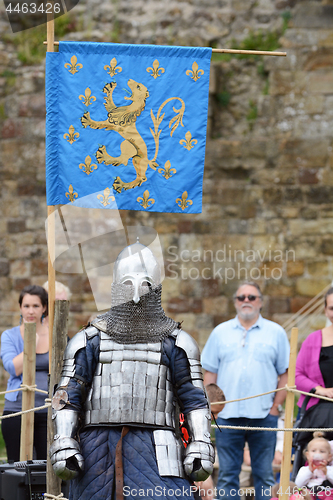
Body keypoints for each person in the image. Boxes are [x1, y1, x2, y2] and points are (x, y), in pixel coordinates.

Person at [49, 242, 215, 500]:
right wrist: (64, 440)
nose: (137, 296)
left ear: (156, 289)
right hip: (97, 447)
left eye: (145, 285)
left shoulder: (177, 342)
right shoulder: (89, 340)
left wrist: (201, 442)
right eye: (128, 285)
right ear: (116, 287)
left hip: (159, 449)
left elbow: (193, 399)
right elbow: (67, 397)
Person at [201, 281, 290, 500]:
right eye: (242, 297)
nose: (246, 301)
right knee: (228, 476)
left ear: (260, 301)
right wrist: (211, 409)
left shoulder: (276, 333)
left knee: (265, 476)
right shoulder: (220, 332)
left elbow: (286, 375)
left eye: (251, 297)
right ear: (235, 303)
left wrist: (275, 408)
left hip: (264, 417)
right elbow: (210, 375)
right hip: (228, 418)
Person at [0, 284, 49, 461]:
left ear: (44, 308)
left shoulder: (55, 336)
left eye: (36, 306)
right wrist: (31, 342)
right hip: (17, 410)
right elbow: (13, 368)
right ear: (20, 308)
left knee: (47, 467)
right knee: (18, 467)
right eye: (26, 306)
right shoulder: (9, 336)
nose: (30, 311)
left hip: (47, 410)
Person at [295, 287, 333, 441]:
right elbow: (296, 375)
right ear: (325, 311)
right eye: (332, 308)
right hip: (316, 414)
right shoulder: (312, 340)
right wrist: (320, 390)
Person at [295, 432, 333, 499]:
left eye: (322, 451)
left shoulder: (330, 469)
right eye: (313, 451)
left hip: (326, 493)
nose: (317, 454)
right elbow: (298, 485)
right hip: (310, 493)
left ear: (329, 457)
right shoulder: (304, 469)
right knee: (301, 494)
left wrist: (326, 472)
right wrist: (310, 470)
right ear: (308, 455)